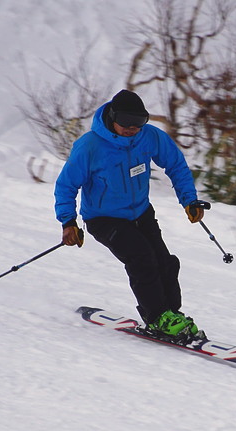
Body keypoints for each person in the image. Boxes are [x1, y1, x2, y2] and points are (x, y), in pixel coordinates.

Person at [54, 89, 207, 341]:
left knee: (164, 262)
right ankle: (157, 318)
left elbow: (176, 163)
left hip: (141, 212)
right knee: (141, 258)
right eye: (126, 123)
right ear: (112, 117)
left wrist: (189, 199)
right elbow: (66, 186)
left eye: (138, 124)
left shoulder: (148, 137)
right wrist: (68, 222)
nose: (132, 129)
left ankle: (172, 315)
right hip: (104, 219)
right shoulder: (90, 146)